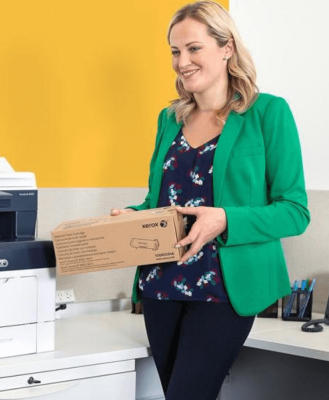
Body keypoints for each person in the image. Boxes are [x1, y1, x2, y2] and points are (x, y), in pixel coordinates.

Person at [111, 2, 310, 399]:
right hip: (160, 285)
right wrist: (128, 218)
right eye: (174, 51)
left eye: (193, 48)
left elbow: (295, 212)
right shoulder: (169, 119)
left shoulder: (267, 113)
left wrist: (224, 219)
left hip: (224, 290)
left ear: (226, 48)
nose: (181, 61)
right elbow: (158, 202)